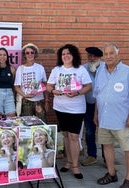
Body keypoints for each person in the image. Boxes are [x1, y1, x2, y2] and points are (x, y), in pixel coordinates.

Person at [94, 43, 129, 188]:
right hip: (104, 118)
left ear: (118, 55)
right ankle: (111, 173)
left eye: (111, 53)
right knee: (107, 146)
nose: (108, 56)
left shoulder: (128, 71)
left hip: (123, 120)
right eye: (106, 54)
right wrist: (96, 114)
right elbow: (98, 94)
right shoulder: (100, 71)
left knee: (128, 149)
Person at [46, 44, 92, 179]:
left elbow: (88, 86)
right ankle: (69, 161)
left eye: (68, 53)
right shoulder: (56, 70)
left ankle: (75, 166)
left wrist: (78, 92)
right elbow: (49, 86)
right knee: (66, 135)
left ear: (74, 55)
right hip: (60, 107)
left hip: (76, 109)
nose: (66, 56)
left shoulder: (80, 70)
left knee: (74, 136)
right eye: (63, 54)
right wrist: (54, 91)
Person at [81, 47, 105, 166]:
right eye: (89, 56)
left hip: (104, 105)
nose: (92, 58)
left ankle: (107, 158)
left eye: (94, 56)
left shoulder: (106, 68)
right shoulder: (83, 68)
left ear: (100, 57)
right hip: (88, 104)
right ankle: (92, 155)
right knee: (90, 130)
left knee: (105, 131)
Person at [14, 43, 49, 122]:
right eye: (27, 53)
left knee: (41, 124)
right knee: (27, 126)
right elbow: (16, 86)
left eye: (32, 52)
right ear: (24, 55)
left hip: (39, 101)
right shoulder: (20, 69)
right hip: (26, 102)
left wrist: (47, 100)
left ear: (35, 54)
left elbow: (45, 85)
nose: (30, 54)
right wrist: (24, 95)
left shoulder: (40, 68)